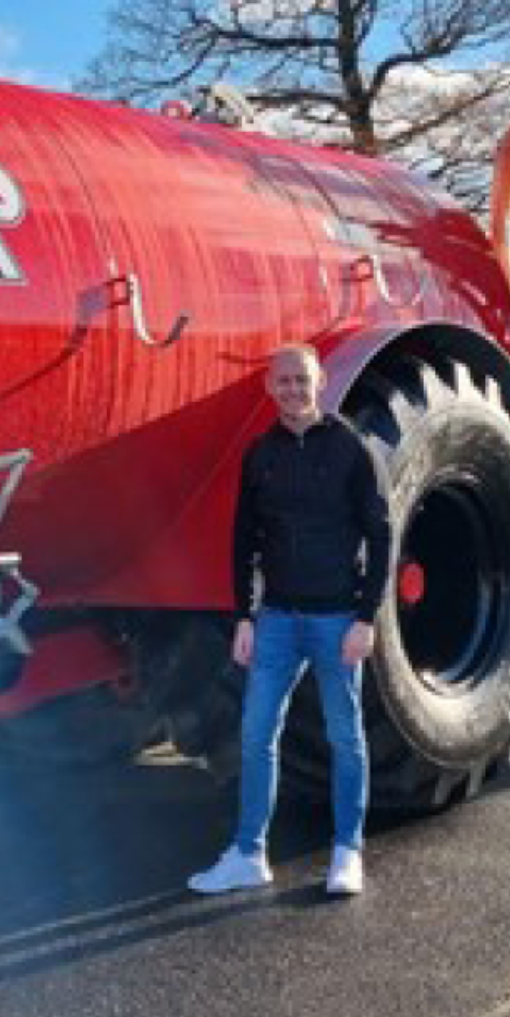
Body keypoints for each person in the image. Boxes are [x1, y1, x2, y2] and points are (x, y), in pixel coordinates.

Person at [188, 343, 389, 898]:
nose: (294, 391)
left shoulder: (349, 448)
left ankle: (348, 851)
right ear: (269, 388)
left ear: (320, 381)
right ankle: (250, 854)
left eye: (302, 380)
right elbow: (243, 540)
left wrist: (365, 617)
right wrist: (244, 617)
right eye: (283, 382)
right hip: (276, 618)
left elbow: (379, 533)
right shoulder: (261, 455)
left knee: (345, 737)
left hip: (335, 619)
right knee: (256, 736)